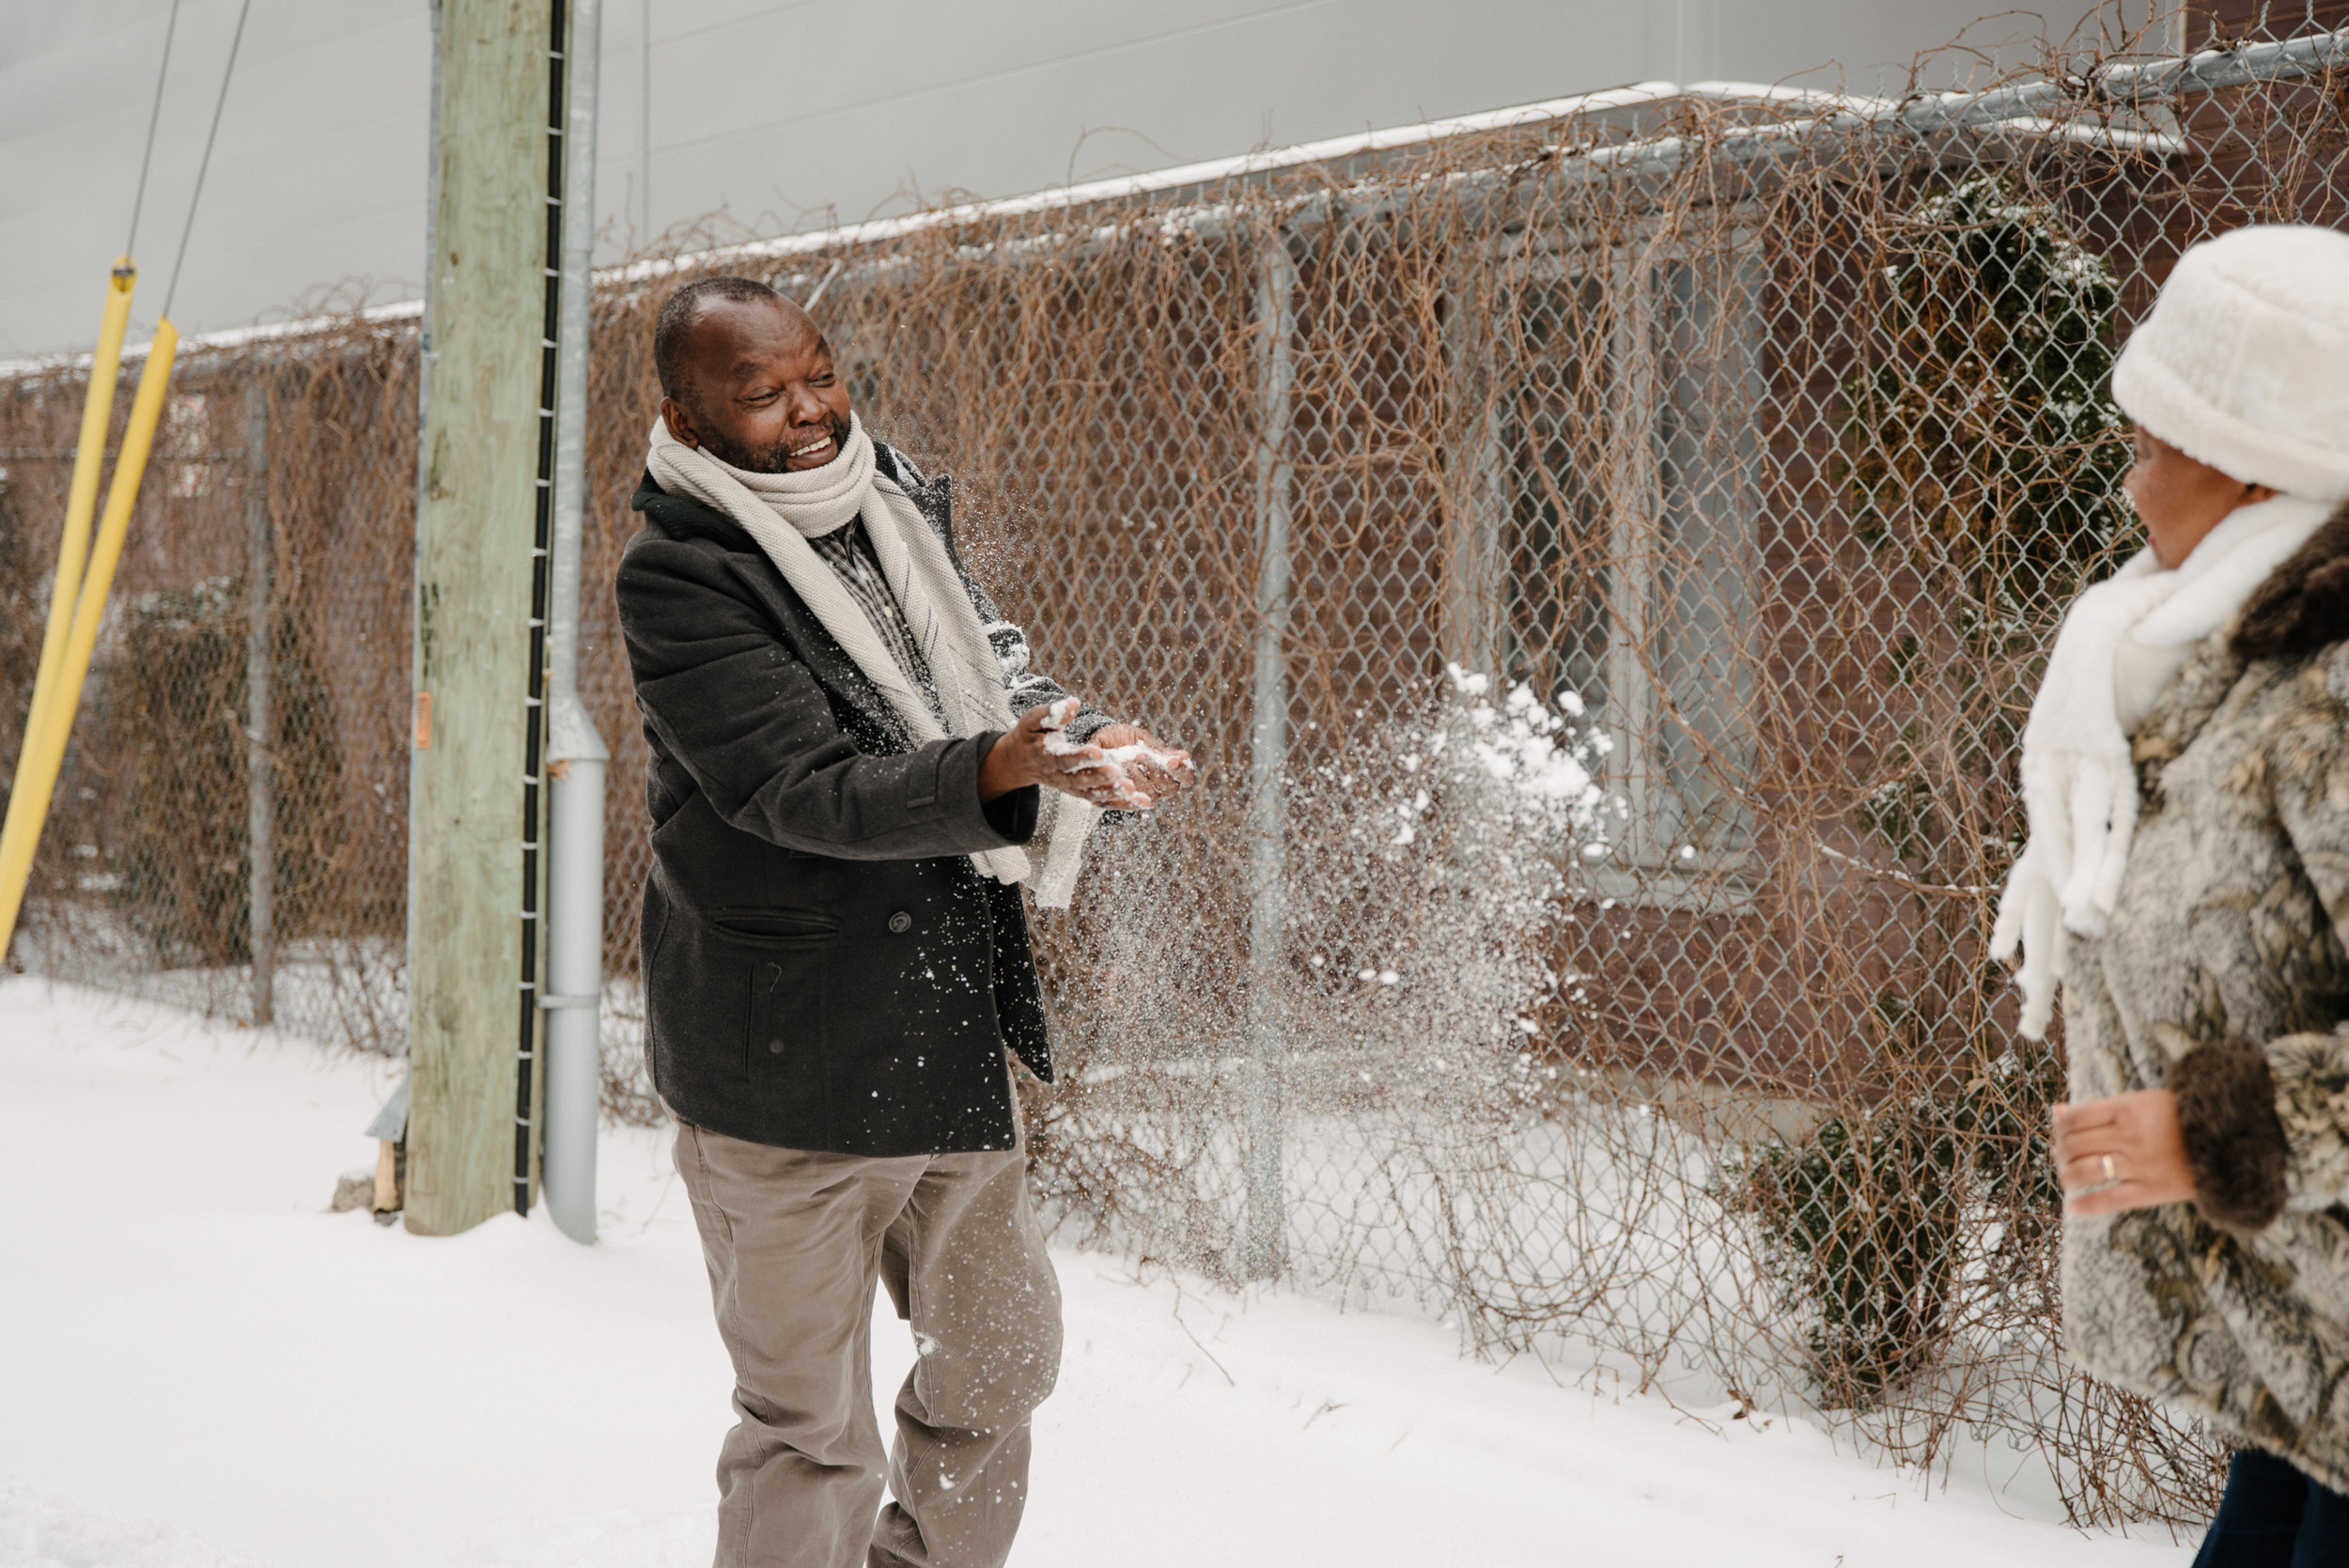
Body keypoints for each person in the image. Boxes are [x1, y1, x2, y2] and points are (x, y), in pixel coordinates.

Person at [614, 275, 1191, 1568]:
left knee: (999, 1362)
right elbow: (796, 787)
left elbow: (991, 671)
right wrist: (1005, 768)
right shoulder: (682, 575)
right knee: (810, 1431)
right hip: (783, 1068)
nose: (810, 408)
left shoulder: (893, 503)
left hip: (940, 1032)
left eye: (816, 370)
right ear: (689, 419)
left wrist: (1080, 741)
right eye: (761, 394)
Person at [1991, 224, 2349, 1564]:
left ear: (2261, 467)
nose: (2129, 488)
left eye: (2151, 449)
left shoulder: (2332, 688)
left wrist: (2216, 1128)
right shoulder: (2208, 657)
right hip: (2311, 1356)